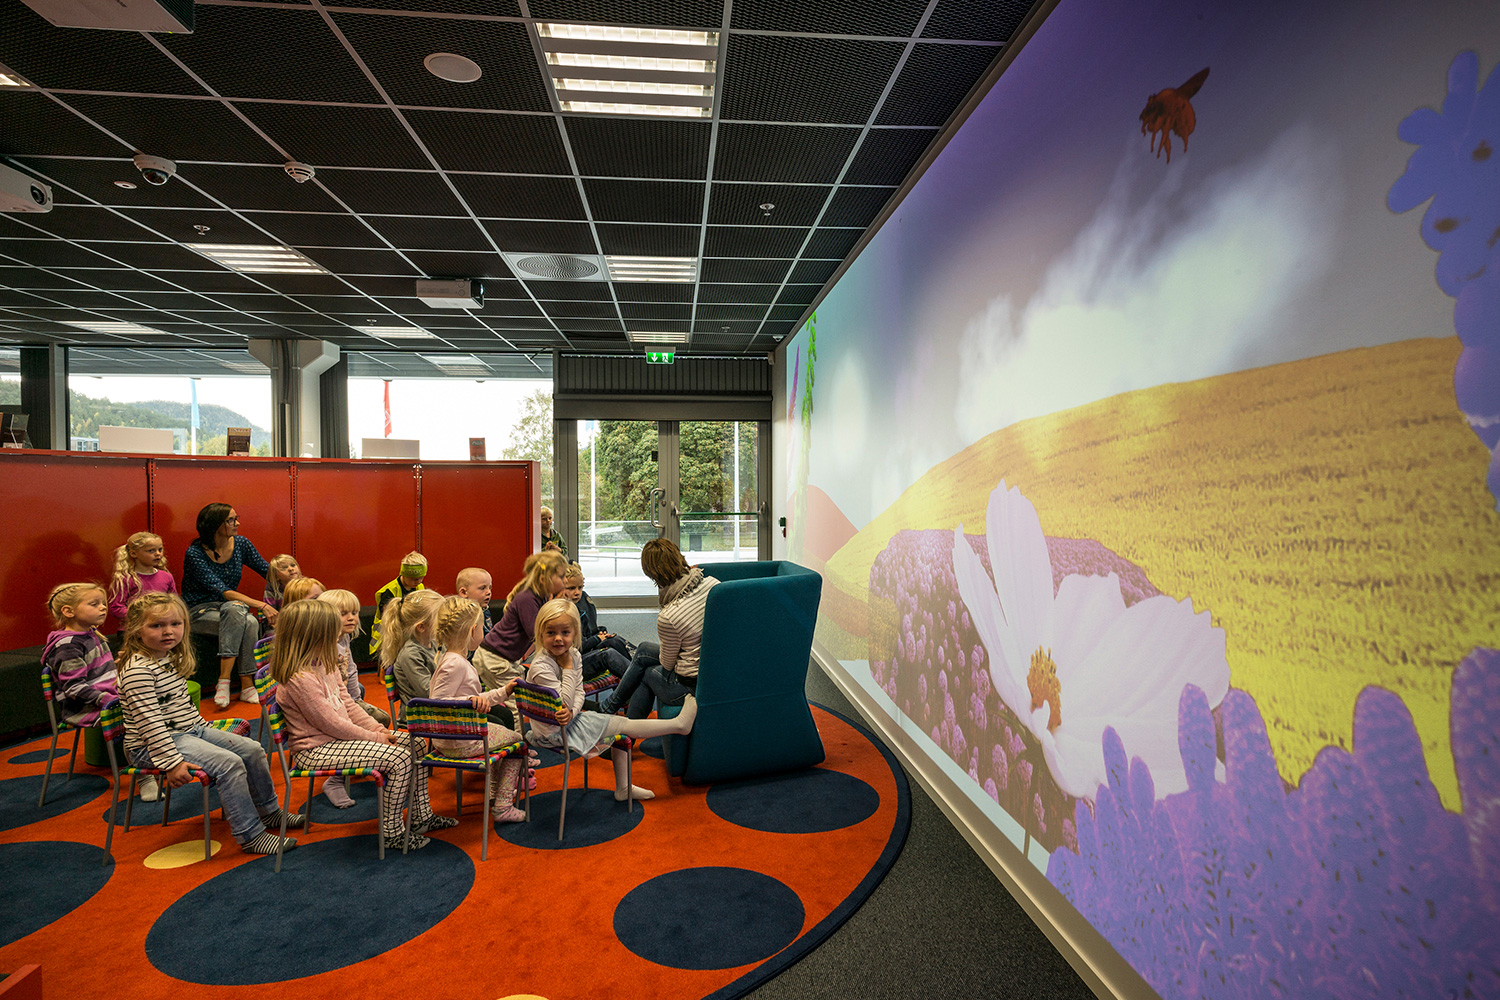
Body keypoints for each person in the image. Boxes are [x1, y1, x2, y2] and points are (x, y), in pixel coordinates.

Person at [118, 592, 302, 856]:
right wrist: (171, 763)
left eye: (175, 624)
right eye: (156, 625)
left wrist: (203, 731)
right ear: (137, 630)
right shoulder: (138, 671)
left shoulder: (166, 656)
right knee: (229, 764)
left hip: (187, 731)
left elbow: (180, 705)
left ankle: (269, 811)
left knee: (252, 750)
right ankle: (251, 835)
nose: (168, 631)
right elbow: (151, 725)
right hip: (152, 745)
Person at [270, 599, 454, 851]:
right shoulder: (299, 679)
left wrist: (379, 730)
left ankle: (421, 816)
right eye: (331, 631)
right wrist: (377, 738)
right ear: (313, 635)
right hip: (316, 749)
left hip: (337, 740)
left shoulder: (324, 663)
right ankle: (392, 833)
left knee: (417, 744)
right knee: (399, 759)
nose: (337, 636)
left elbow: (348, 704)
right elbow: (332, 724)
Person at [524, 598, 697, 803]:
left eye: (565, 632)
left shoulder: (573, 655)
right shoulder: (542, 667)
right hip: (553, 732)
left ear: (575, 634)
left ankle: (623, 788)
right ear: (540, 634)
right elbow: (564, 702)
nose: (558, 639)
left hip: (568, 721)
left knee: (621, 728)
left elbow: (578, 693)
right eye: (551, 633)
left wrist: (573, 711)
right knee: (623, 725)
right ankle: (678, 725)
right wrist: (568, 669)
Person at [429, 596, 534, 823]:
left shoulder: (452, 659)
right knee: (518, 742)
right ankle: (503, 805)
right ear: (472, 630)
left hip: (454, 737)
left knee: (504, 735)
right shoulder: (455, 664)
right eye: (482, 628)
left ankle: (494, 791)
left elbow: (472, 698)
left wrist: (503, 692)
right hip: (459, 740)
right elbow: (437, 704)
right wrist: (469, 700)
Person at [597, 538, 718, 722]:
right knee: (644, 649)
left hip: (692, 686)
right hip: (716, 669)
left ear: (652, 574)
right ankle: (609, 707)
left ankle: (627, 728)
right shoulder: (713, 584)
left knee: (646, 674)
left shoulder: (670, 615)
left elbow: (667, 665)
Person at [181, 502, 274, 709]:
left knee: (246, 618)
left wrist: (296, 582)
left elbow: (266, 570)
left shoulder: (240, 544)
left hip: (231, 610)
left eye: (236, 518)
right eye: (230, 520)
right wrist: (261, 605)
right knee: (243, 615)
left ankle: (232, 684)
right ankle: (241, 683)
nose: (237, 523)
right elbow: (222, 590)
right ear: (215, 525)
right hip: (199, 611)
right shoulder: (195, 553)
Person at [316, 588, 390, 809]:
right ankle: (335, 780)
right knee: (359, 728)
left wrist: (357, 700)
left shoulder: (344, 638)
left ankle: (365, 760)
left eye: (354, 613)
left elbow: (351, 669)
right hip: (329, 703)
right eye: (343, 614)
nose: (351, 618)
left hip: (345, 698)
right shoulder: (324, 645)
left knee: (381, 719)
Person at [472, 551, 568, 713]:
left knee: (510, 701)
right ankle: (513, 730)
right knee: (517, 706)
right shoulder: (527, 598)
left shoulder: (541, 596)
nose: (565, 580)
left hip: (502, 658)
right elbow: (536, 633)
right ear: (544, 579)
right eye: (561, 576)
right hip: (494, 659)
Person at [563, 563, 630, 685]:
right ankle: (640, 680)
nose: (577, 592)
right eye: (571, 588)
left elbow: (587, 633)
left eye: (580, 588)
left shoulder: (581, 602)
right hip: (571, 665)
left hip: (585, 652)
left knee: (615, 640)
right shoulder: (562, 613)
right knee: (608, 654)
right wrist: (597, 639)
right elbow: (576, 648)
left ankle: (642, 666)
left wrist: (599, 633)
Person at [382, 589, 445, 712]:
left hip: (439, 709)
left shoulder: (436, 643)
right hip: (420, 716)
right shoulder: (410, 654)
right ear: (421, 627)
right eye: (441, 617)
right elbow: (429, 693)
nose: (446, 621)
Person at [107, 532, 176, 627]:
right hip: (133, 629)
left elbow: (174, 601)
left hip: (160, 627)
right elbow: (116, 607)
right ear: (133, 553)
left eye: (160, 549)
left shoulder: (167, 576)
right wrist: (141, 618)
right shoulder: (126, 579)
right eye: (151, 551)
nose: (158, 554)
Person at [370, 551, 427, 659]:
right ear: (404, 574)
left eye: (422, 577)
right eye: (415, 579)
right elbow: (389, 618)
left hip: (409, 632)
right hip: (389, 635)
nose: (419, 581)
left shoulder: (420, 587)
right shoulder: (389, 591)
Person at [454, 567, 494, 634]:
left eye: (489, 587)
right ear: (464, 592)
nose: (489, 592)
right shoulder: (462, 618)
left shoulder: (485, 610)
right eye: (482, 588)